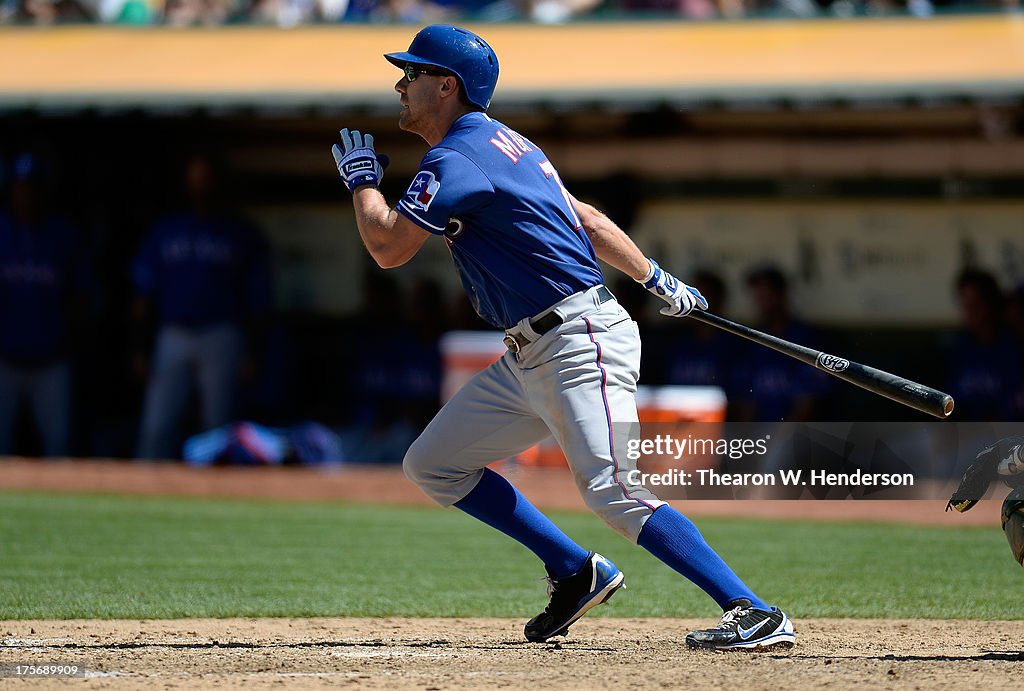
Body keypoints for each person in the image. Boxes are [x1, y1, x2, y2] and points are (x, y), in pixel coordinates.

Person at [331, 24, 793, 650]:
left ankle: (753, 610)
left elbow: (387, 247)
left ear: (448, 86)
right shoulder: (511, 143)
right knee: (434, 464)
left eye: (413, 74)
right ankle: (576, 570)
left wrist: (361, 180)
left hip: (577, 338)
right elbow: (589, 220)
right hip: (531, 352)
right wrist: (655, 277)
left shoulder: (457, 157)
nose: (400, 84)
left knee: (612, 488)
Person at [132, 152, 272, 459]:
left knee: (218, 427)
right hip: (173, 333)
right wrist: (141, 347)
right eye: (195, 178)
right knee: (157, 426)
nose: (201, 186)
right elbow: (143, 295)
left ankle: (217, 496)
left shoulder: (239, 231)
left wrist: (254, 350)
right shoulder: (166, 229)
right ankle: (143, 490)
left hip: (222, 334)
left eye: (206, 179)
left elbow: (258, 299)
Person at [0, 153, 93, 457]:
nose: (25, 194)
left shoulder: (63, 236)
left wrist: (67, 337)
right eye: (19, 187)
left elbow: (82, 295)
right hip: (5, 359)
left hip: (52, 360)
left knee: (58, 445)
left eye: (31, 187)